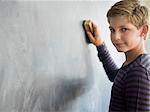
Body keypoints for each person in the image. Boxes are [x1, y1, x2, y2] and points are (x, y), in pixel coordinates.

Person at [84, 0, 150, 111]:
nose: (116, 37)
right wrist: (100, 45)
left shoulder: (139, 72)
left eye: (124, 29)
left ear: (143, 30)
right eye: (112, 30)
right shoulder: (136, 63)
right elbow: (116, 76)